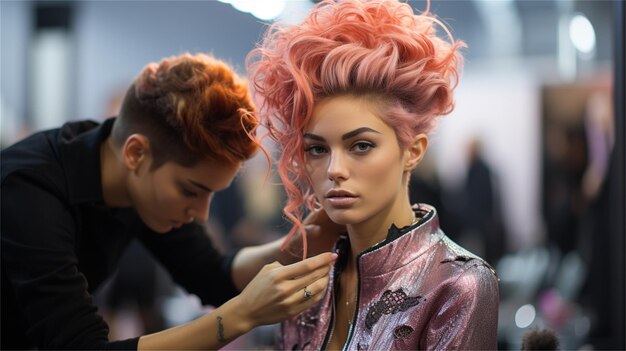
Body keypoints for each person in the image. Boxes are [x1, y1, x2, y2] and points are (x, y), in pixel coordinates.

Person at [1, 52, 340, 350]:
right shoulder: (28, 192)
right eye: (191, 190)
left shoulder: (137, 182)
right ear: (136, 153)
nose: (201, 213)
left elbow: (212, 275)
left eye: (210, 194)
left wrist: (297, 245)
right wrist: (241, 316)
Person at [247, 0, 500, 349]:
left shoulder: (457, 284)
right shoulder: (308, 283)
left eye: (361, 146)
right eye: (317, 149)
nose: (335, 170)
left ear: (413, 151)